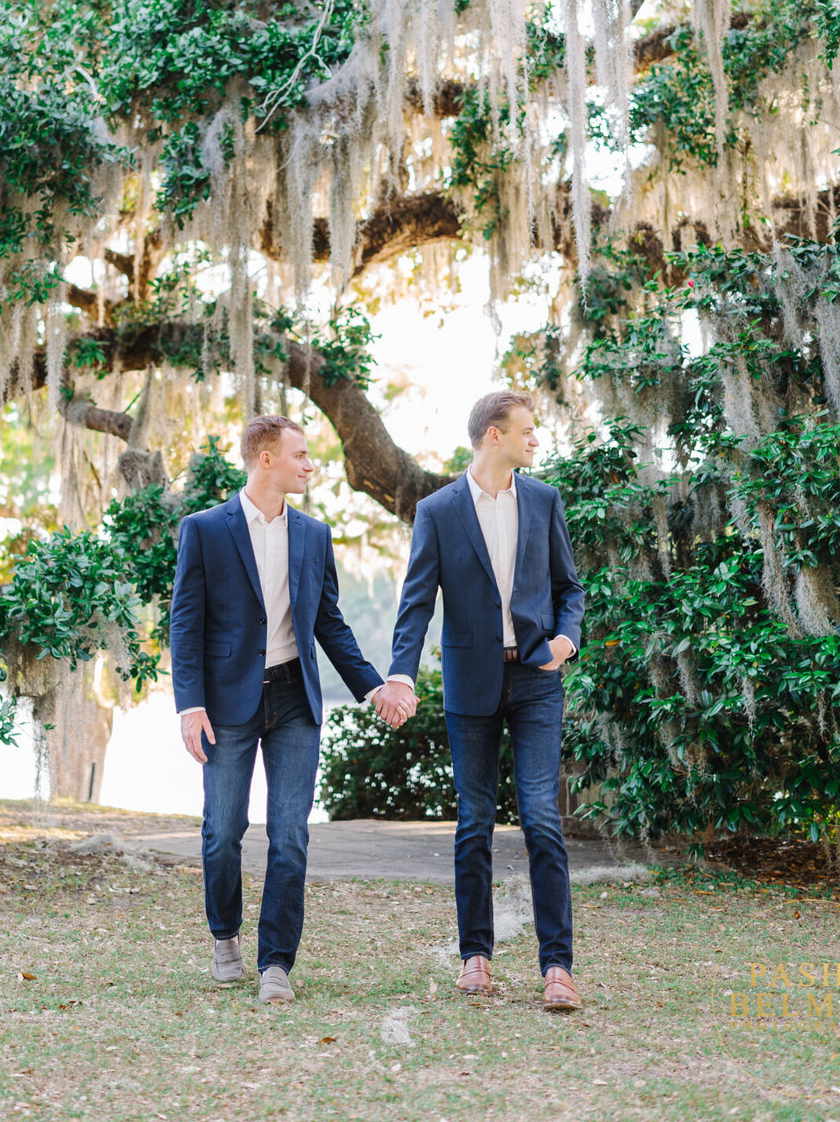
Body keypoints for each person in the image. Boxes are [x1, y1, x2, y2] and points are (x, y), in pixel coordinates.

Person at [170, 414, 414, 1005]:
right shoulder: (204, 530)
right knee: (223, 832)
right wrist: (190, 705)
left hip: (294, 699)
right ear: (266, 459)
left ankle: (275, 964)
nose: (310, 465)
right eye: (301, 455)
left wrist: (374, 686)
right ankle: (224, 935)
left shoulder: (313, 534)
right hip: (226, 702)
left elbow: (329, 623)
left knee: (290, 836)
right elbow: (185, 622)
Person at [373, 390, 586, 1010]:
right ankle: (475, 958)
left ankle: (557, 969)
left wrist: (566, 639)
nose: (535, 439)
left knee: (543, 819)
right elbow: (416, 602)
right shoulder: (438, 511)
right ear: (494, 436)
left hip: (538, 680)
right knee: (473, 825)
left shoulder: (544, 500)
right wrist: (401, 677)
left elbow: (568, 587)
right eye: (526, 430)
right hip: (470, 684)